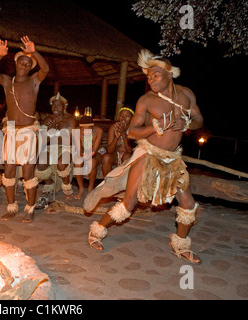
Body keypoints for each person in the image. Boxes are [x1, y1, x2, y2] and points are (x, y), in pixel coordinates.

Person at [86, 49, 204, 265]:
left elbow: (199, 120)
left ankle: (181, 245)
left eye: (155, 74)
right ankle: (97, 229)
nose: (151, 79)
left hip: (173, 159)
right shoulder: (147, 100)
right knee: (129, 201)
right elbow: (132, 132)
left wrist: (187, 124)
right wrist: (154, 127)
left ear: (169, 74)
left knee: (188, 203)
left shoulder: (186, 95)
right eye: (148, 76)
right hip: (148, 154)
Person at [0, 36, 49, 223]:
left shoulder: (34, 81)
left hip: (28, 131)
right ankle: (12, 206)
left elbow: (45, 69)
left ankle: (30, 208)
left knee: (28, 171)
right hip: (11, 130)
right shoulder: (7, 81)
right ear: (16, 64)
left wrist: (34, 52)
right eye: (20, 62)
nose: (23, 65)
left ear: (30, 66)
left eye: (27, 63)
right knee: (9, 171)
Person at [35, 92, 77, 209]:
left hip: (67, 148)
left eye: (59, 105)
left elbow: (69, 141)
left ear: (64, 107)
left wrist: (54, 131)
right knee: (41, 162)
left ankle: (66, 186)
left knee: (61, 162)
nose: (56, 108)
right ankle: (49, 185)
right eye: (53, 105)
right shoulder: (47, 120)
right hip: (50, 147)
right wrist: (49, 129)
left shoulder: (70, 120)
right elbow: (42, 141)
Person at [73, 115, 104, 200]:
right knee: (77, 162)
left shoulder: (98, 131)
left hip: (97, 151)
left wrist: (89, 155)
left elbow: (94, 150)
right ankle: (81, 188)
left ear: (93, 127)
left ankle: (90, 188)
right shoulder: (76, 131)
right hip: (83, 151)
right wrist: (82, 155)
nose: (85, 132)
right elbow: (78, 149)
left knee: (92, 162)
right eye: (83, 130)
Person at [101, 106, 134, 176]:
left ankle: (122, 184)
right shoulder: (113, 128)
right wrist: (116, 137)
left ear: (132, 118)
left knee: (126, 157)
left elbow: (130, 150)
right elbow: (109, 150)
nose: (123, 118)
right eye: (121, 115)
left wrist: (123, 134)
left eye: (127, 116)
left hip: (128, 155)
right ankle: (107, 184)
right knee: (106, 157)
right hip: (116, 155)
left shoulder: (134, 129)